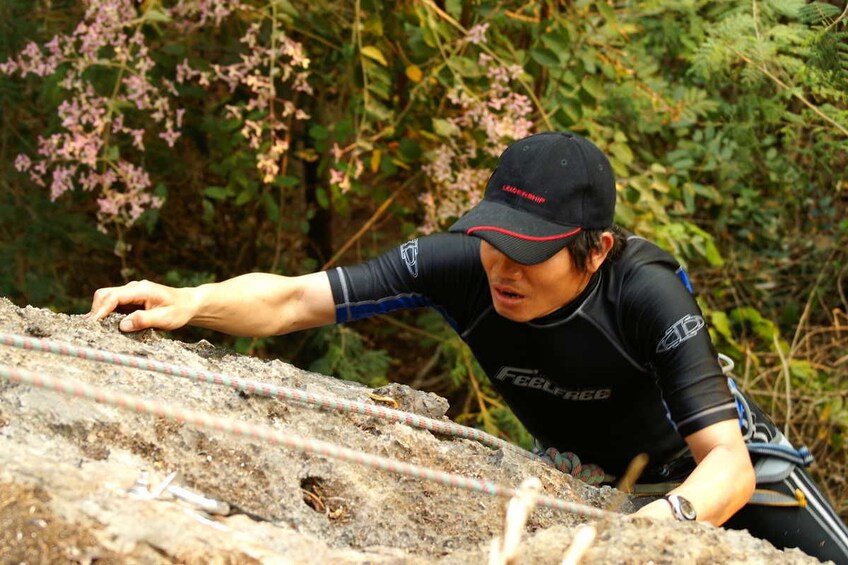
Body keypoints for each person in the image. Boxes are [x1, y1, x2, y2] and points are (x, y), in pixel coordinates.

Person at [88, 131, 848, 562]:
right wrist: (192, 302)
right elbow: (294, 299)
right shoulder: (459, 265)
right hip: (591, 482)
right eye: (493, 239)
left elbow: (731, 463)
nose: (503, 266)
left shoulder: (643, 290)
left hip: (716, 478)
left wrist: (652, 535)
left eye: (533, 250)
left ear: (595, 248)